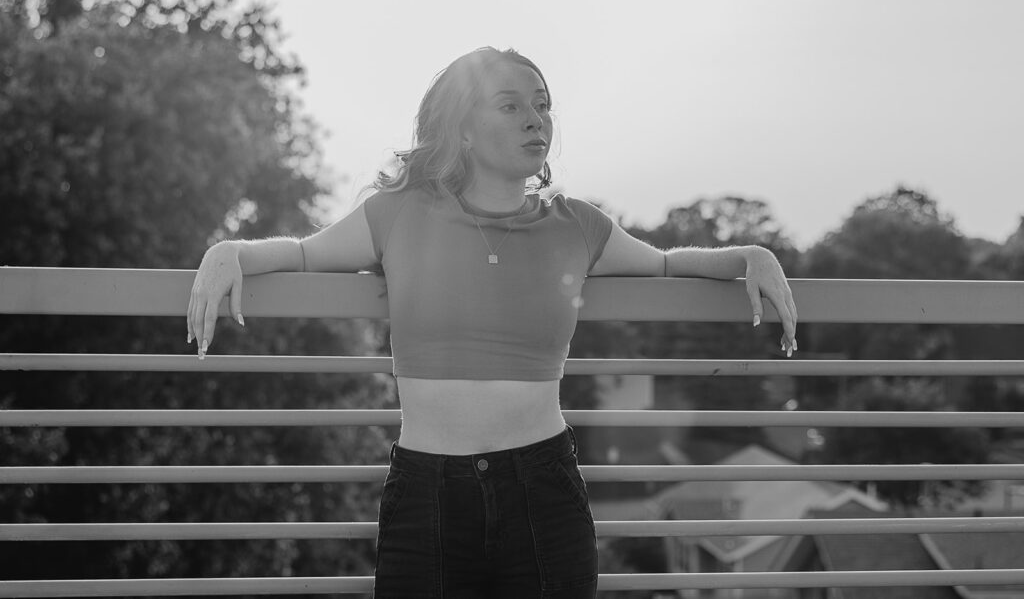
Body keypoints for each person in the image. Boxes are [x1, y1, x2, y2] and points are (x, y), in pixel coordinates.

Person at [186, 46, 798, 598]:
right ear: (464, 130)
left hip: (542, 487)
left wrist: (749, 256)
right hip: (427, 495)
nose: (536, 119)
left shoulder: (578, 226)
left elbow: (665, 264)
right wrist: (229, 253)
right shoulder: (396, 215)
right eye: (510, 105)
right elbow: (301, 253)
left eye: (542, 105)